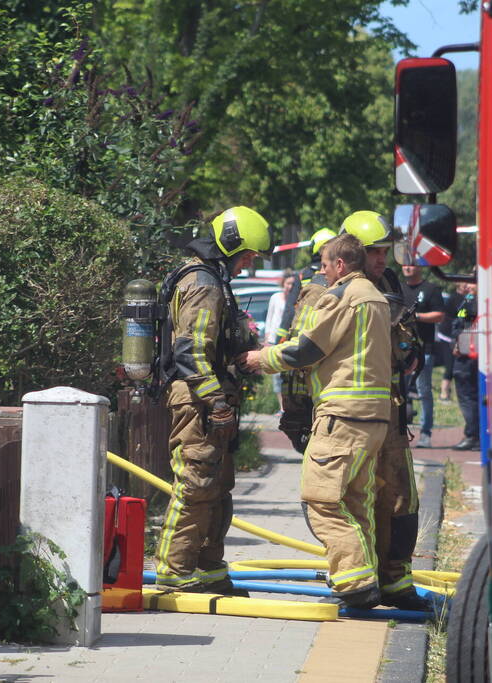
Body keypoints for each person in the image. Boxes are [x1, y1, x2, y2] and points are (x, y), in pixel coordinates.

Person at [238, 233, 391, 608]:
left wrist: (260, 359)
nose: (320, 273)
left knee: (319, 498)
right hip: (374, 417)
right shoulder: (376, 297)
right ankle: (364, 579)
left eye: (323, 265)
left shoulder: (342, 297)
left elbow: (306, 348)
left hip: (342, 413)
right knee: (356, 500)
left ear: (340, 264)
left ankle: (353, 582)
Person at [153, 205, 271, 595]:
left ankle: (208, 567)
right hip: (197, 400)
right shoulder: (203, 284)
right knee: (196, 483)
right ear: (232, 245)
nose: (249, 264)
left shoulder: (213, 279)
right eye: (249, 255)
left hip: (208, 397)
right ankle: (174, 569)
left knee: (218, 486)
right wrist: (216, 403)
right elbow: (190, 351)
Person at [338, 210, 428, 611]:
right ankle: (360, 582)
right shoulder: (329, 288)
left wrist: (412, 350)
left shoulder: (390, 284)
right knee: (352, 499)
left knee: (401, 500)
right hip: (347, 416)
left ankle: (397, 582)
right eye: (373, 252)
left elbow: (408, 340)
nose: (382, 259)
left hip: (390, 414)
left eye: (384, 251)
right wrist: (297, 417)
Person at [277, 228, 336, 452]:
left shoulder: (303, 275)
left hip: (301, 349)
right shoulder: (337, 278)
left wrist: (279, 340)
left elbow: (290, 313)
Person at [402, 265, 445, 449]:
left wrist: (416, 316)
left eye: (411, 264)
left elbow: (440, 315)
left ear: (419, 266)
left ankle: (425, 432)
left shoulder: (431, 289)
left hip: (424, 350)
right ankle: (400, 432)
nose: (407, 267)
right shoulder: (398, 287)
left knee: (424, 392)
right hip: (401, 350)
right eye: (404, 264)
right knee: (399, 392)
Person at [452, 283, 480, 451]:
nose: (467, 285)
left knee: (468, 397)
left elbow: (469, 328)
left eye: (472, 281)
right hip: (464, 353)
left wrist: (459, 344)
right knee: (468, 396)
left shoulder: (476, 302)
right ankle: (473, 434)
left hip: (469, 356)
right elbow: (457, 324)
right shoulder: (468, 300)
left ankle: (473, 435)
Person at [262, 269, 295, 411]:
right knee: (275, 374)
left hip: (287, 340)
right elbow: (270, 317)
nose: (290, 286)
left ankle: (287, 406)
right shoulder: (276, 297)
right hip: (274, 339)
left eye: (293, 284)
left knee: (285, 372)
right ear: (283, 283)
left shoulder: (296, 300)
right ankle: (281, 406)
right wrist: (267, 336)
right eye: (288, 283)